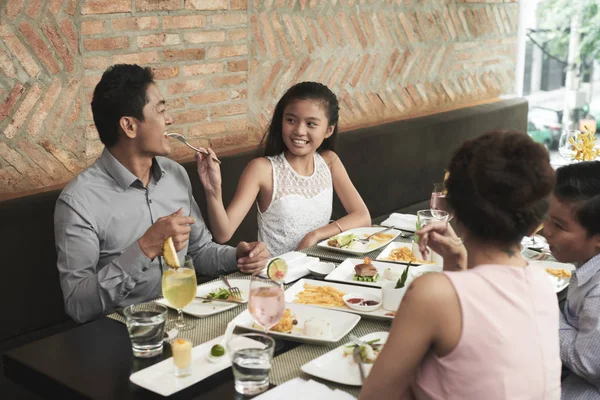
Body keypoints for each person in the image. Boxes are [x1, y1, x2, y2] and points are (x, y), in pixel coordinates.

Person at [54, 64, 269, 324]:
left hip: (184, 316)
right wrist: (145, 248)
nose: (169, 119)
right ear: (129, 126)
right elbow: (77, 304)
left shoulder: (175, 174)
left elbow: (199, 252)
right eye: (161, 110)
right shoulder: (79, 202)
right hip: (125, 330)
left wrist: (238, 255)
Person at [359, 131, 561, 400]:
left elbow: (376, 397)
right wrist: (457, 266)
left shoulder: (432, 294)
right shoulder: (543, 285)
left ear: (454, 208)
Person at [195, 81, 370, 256]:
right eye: (291, 120)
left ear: (328, 130)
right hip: (276, 275)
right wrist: (213, 191)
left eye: (311, 124)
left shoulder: (329, 161)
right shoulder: (262, 169)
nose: (299, 131)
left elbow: (363, 216)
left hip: (319, 270)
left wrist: (315, 236)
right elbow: (223, 234)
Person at [543, 161, 600, 398]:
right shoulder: (587, 263)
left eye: (558, 225)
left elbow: (588, 365)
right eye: (547, 218)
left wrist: (544, 307)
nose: (546, 230)